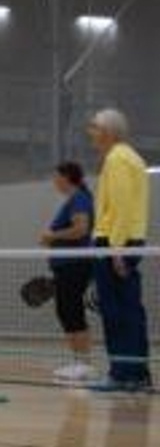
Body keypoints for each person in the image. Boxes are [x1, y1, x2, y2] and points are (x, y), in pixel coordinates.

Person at [87, 109, 151, 391]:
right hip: (127, 240)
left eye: (95, 128)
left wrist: (115, 249)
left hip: (115, 242)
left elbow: (122, 206)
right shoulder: (133, 158)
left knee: (115, 311)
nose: (92, 134)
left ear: (109, 132)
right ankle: (137, 374)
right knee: (130, 309)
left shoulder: (117, 159)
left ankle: (121, 373)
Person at [40, 162, 95, 383]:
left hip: (75, 265)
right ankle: (78, 362)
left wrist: (52, 236)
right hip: (66, 266)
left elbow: (81, 228)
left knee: (72, 310)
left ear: (66, 177)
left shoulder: (80, 198)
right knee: (66, 311)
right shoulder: (74, 200)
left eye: (56, 177)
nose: (54, 181)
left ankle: (84, 364)